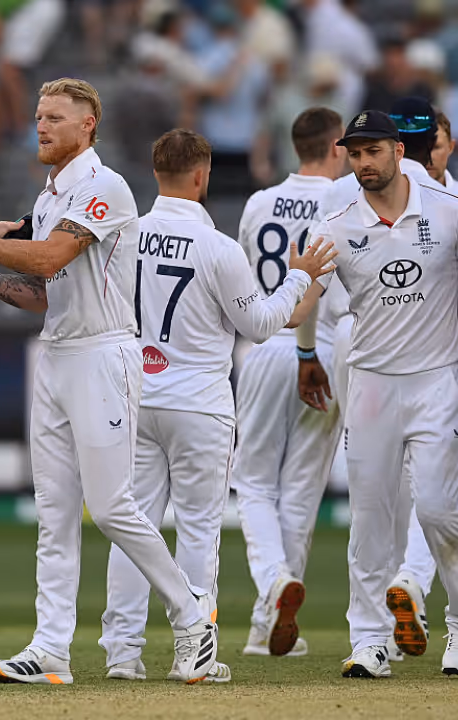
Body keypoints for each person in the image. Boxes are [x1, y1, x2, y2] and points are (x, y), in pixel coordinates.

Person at [0, 78, 219, 685]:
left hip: (104, 355)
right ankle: (51, 648)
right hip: (58, 354)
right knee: (54, 512)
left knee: (113, 506)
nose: (41, 126)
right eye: (38, 116)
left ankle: (194, 620)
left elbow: (50, 258)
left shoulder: (104, 187)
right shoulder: (47, 197)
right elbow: (41, 295)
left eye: (56, 117)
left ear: (89, 125)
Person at [99, 129, 335, 682]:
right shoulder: (218, 247)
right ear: (202, 176)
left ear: (157, 172)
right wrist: (300, 276)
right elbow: (259, 325)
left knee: (135, 525)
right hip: (199, 402)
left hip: (137, 394)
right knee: (199, 529)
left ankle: (122, 653)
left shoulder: (125, 234)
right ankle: (193, 651)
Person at [298, 109, 458, 678]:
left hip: (438, 381)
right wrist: (283, 315)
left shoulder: (446, 210)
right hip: (370, 386)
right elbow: (301, 299)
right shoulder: (336, 224)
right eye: (354, 153)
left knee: (440, 511)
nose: (363, 163)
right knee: (369, 515)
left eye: (373, 151)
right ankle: (369, 641)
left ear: (396, 149)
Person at [230, 107, 347, 657]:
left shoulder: (258, 202)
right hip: (322, 350)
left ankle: (272, 588)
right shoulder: (345, 198)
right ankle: (265, 619)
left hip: (268, 342)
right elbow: (324, 281)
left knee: (254, 484)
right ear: (338, 146)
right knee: (300, 492)